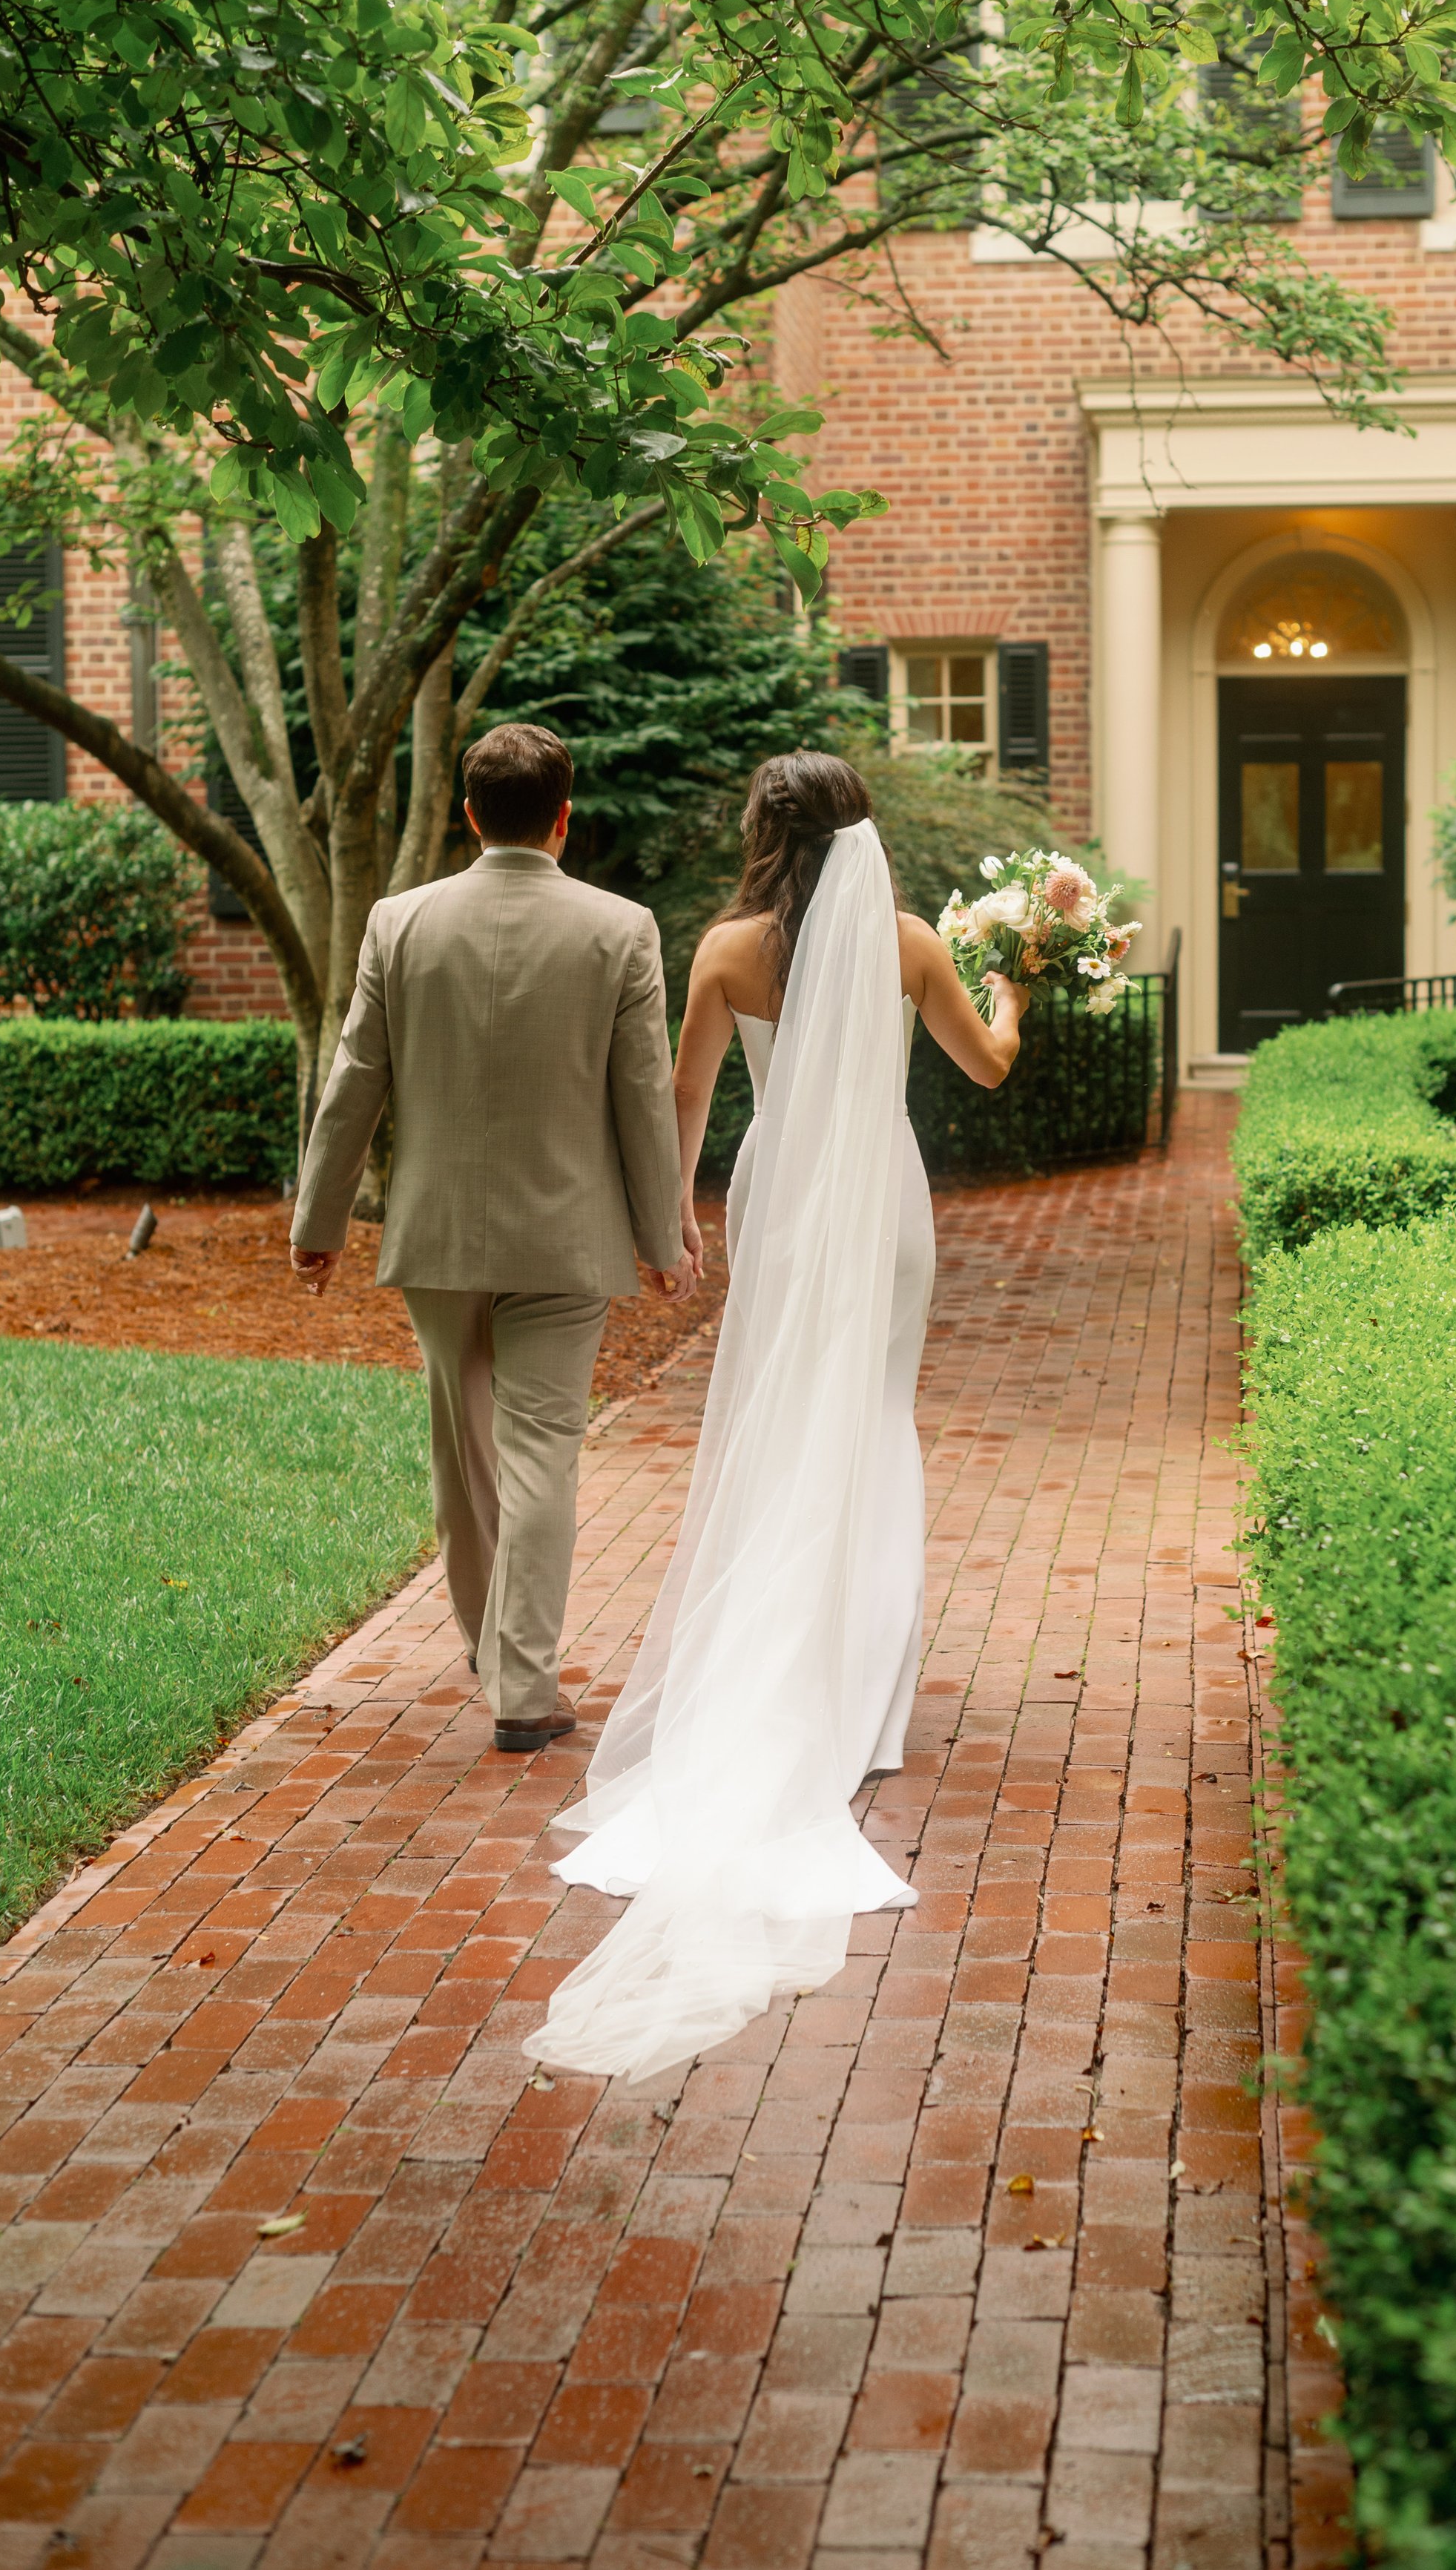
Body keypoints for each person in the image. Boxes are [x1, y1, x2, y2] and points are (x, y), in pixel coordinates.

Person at [524, 750, 1028, 2083]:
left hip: (783, 1207)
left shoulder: (729, 951)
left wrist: (670, 1220)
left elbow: (684, 1101)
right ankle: (863, 1707)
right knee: (871, 1425)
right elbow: (985, 1070)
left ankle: (790, 1666)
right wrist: (1021, 988)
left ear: (763, 832)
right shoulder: (913, 943)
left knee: (776, 1424)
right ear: (862, 832)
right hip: (885, 1213)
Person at [288, 723, 695, 1754]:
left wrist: (319, 1219)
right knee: (541, 1453)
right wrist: (662, 1235)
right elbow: (643, 1098)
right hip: (565, 1237)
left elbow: (353, 1087)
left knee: (463, 1447)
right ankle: (522, 1682)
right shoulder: (622, 929)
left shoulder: (399, 921)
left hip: (436, 1235)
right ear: (566, 815)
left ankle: (492, 1648)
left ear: (470, 814)